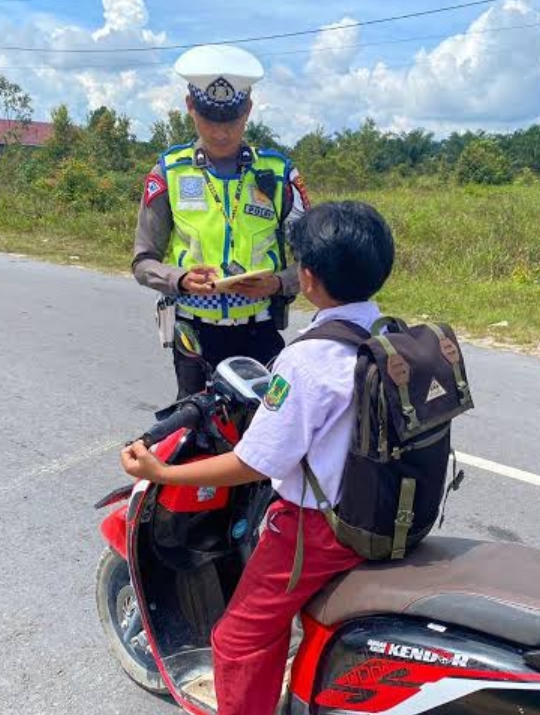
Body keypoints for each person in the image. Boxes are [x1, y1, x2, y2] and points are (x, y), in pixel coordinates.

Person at [121, 201, 396, 715]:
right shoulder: (389, 335)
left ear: (307, 277)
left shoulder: (309, 358)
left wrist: (161, 471)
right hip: (391, 509)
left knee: (237, 640)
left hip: (317, 532)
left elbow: (254, 464)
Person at [131, 44, 313, 398]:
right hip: (194, 336)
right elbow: (143, 261)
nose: (220, 132)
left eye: (231, 120)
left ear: (248, 109)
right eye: (209, 119)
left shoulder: (278, 173)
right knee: (195, 436)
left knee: (270, 441)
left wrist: (277, 283)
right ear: (189, 107)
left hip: (259, 333)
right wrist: (180, 279)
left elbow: (312, 265)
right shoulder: (169, 171)